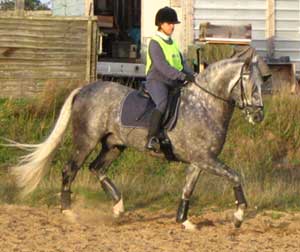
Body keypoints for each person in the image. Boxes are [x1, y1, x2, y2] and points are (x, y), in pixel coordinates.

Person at [145, 6, 196, 151]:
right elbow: (162, 66)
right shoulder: (155, 42)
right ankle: (152, 137)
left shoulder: (172, 42)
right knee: (162, 103)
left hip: (172, 81)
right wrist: (181, 76)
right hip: (157, 80)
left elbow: (181, 63)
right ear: (161, 24)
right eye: (169, 24)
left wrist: (192, 75)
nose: (173, 26)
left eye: (174, 24)